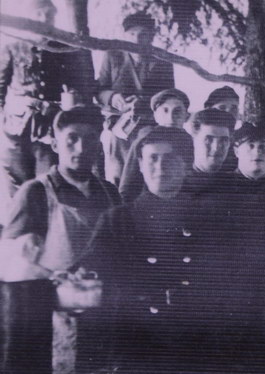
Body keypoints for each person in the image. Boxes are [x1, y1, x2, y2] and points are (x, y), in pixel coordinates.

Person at [79, 126, 265, 374]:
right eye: (152, 158)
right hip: (140, 366)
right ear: (140, 165)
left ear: (185, 165)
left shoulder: (215, 221)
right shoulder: (117, 222)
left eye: (170, 159)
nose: (160, 167)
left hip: (199, 365)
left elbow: (239, 291)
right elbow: (92, 291)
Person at [2, 106, 119, 374]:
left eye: (90, 139)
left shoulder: (109, 192)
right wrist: (56, 285)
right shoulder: (36, 192)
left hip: (101, 319)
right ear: (55, 143)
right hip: (50, 326)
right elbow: (13, 268)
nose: (81, 148)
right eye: (72, 139)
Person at [0, 0, 96, 225]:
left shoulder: (63, 49)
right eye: (40, 14)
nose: (45, 20)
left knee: (48, 181)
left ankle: (47, 231)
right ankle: (22, 232)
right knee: (17, 185)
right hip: (16, 128)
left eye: (50, 15)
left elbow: (76, 86)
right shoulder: (12, 48)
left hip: (49, 127)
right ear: (29, 18)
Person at [96, 11, 175, 186]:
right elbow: (100, 90)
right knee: (114, 141)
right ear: (124, 35)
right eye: (132, 34)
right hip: (117, 119)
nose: (136, 40)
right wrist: (113, 98)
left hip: (148, 121)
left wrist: (145, 102)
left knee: (146, 144)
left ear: (151, 37)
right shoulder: (113, 56)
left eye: (143, 34)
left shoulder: (163, 61)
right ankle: (116, 187)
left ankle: (139, 186)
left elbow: (169, 97)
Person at [118, 87, 191, 202]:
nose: (171, 117)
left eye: (177, 112)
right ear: (155, 116)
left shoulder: (190, 142)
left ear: (186, 116)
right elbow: (127, 187)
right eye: (165, 111)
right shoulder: (144, 141)